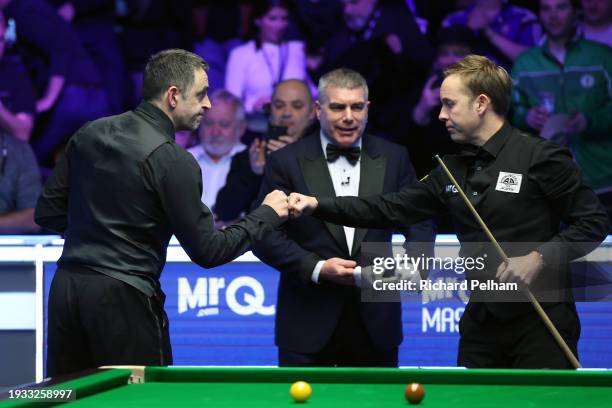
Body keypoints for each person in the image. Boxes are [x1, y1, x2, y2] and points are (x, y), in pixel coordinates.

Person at [288, 55, 610, 368]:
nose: (441, 114)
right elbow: (386, 207)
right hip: (481, 325)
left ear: (481, 104)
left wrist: (539, 257)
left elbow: (594, 222)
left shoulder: (541, 156)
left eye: (449, 104)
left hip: (542, 321)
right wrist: (318, 204)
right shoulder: (450, 168)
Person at [35, 49, 289, 377]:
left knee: (64, 398)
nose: (208, 104)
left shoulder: (90, 132)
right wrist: (267, 213)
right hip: (125, 298)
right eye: (201, 94)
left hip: (66, 290)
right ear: (173, 96)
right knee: (143, 402)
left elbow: (48, 214)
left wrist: (97, 226)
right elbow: (210, 251)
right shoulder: (174, 160)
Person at [252, 68, 434, 367]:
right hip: (306, 321)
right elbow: (263, 233)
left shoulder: (394, 157)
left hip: (377, 322)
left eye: (357, 107)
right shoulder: (285, 161)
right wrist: (317, 267)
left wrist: (412, 266)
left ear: (367, 109)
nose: (348, 116)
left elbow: (419, 221)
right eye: (338, 107)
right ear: (318, 110)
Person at [511, 0, 612, 194]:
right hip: (550, 181)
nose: (553, 15)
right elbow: (512, 112)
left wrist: (590, 121)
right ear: (539, 14)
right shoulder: (525, 64)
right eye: (546, 8)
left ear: (576, 12)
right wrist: (526, 116)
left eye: (561, 7)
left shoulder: (602, 57)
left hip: (602, 176)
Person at [215, 79, 315, 223]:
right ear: (270, 110)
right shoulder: (250, 157)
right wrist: (255, 173)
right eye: (279, 105)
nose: (287, 113)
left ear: (312, 111)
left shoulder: (323, 153)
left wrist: (295, 163)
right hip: (263, 242)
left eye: (297, 106)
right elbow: (225, 212)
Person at [225, 0, 307, 115]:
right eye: (272, 19)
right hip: (256, 122)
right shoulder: (240, 54)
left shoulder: (297, 49)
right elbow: (231, 102)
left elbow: (310, 91)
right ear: (257, 20)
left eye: (284, 19)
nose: (279, 25)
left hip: (295, 122)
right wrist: (252, 106)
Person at [188, 89, 247, 211]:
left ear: (241, 127)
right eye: (209, 123)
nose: (215, 132)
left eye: (224, 124)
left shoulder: (253, 163)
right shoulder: (182, 159)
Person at [441, 0, 541, 68]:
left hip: (512, 92)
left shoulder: (524, 18)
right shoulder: (452, 20)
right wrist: (467, 32)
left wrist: (489, 32)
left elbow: (531, 62)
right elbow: (444, 63)